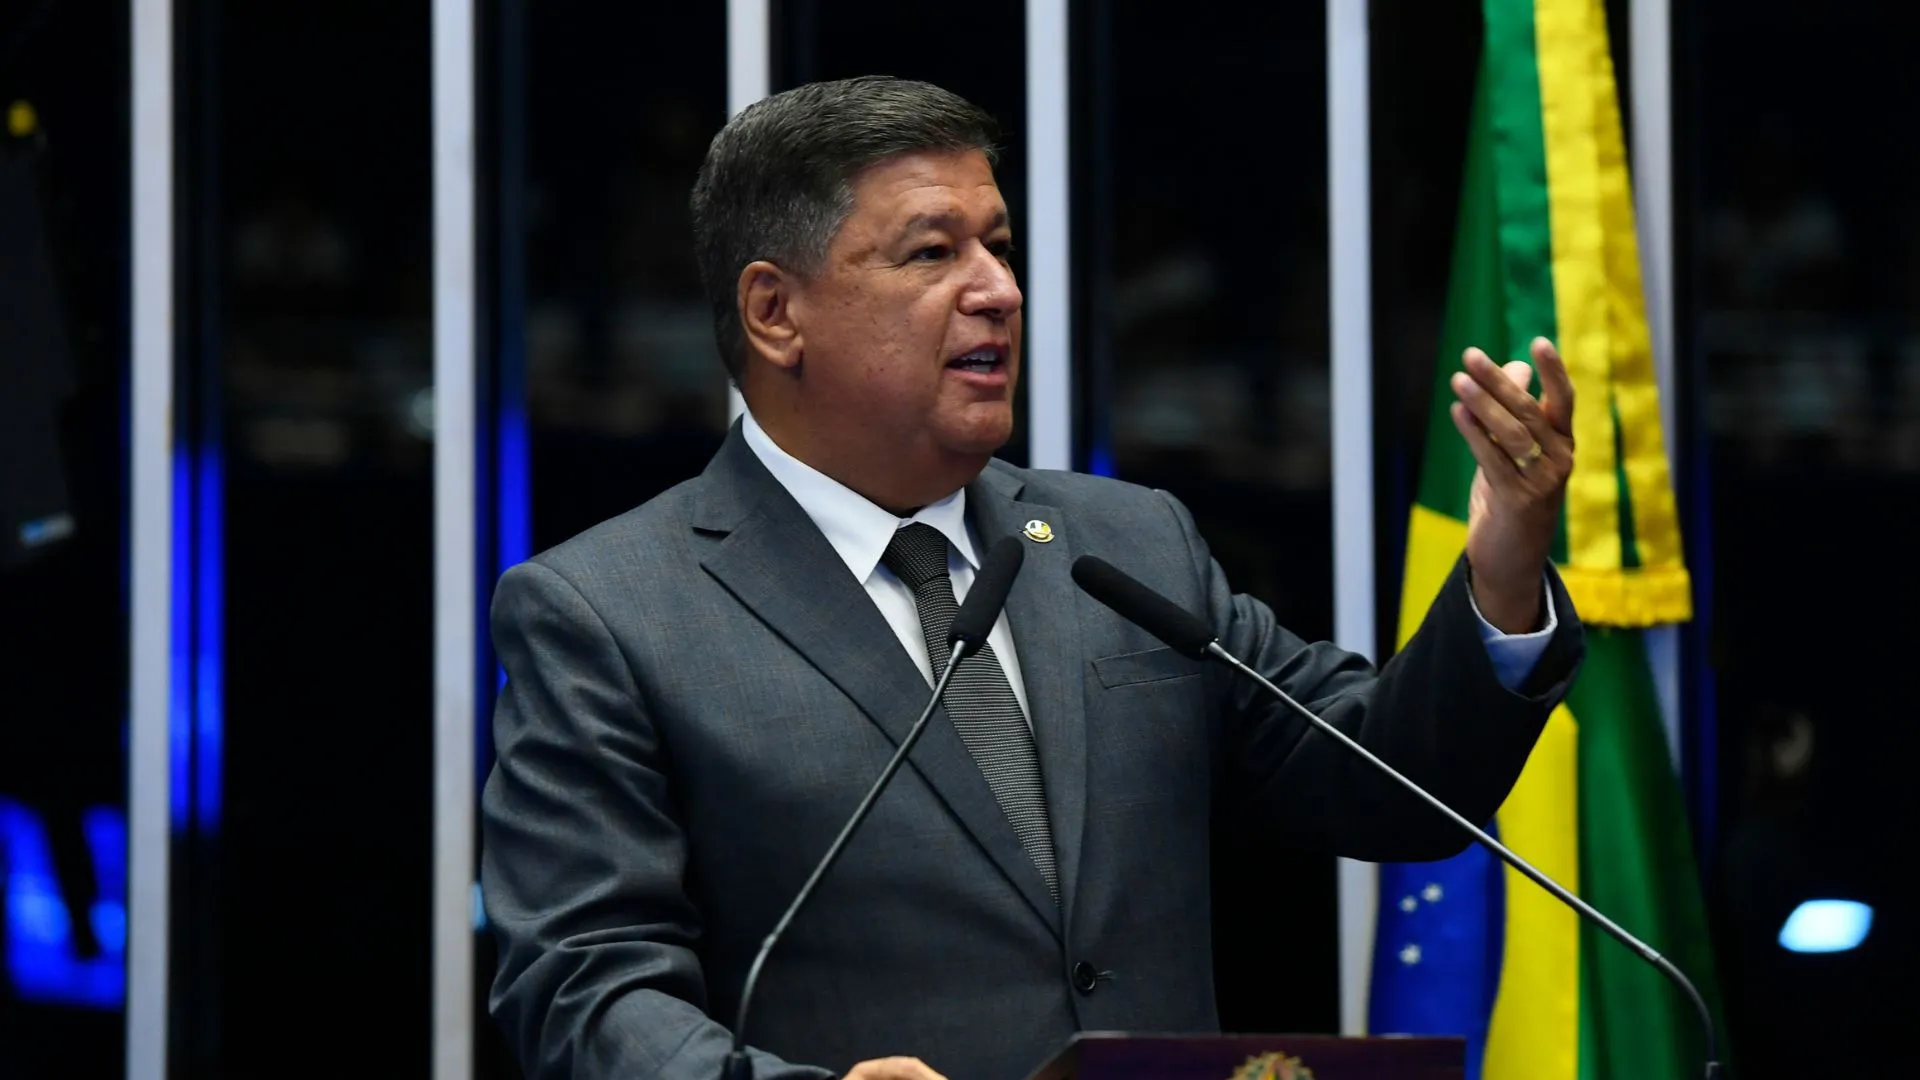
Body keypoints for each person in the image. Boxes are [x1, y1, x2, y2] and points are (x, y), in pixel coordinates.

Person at [481, 76, 1583, 1080]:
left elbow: (1395, 784)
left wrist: (1504, 567)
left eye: (1000, 248)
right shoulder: (613, 614)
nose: (999, 290)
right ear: (776, 313)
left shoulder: (1129, 544)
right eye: (932, 254)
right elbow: (584, 988)